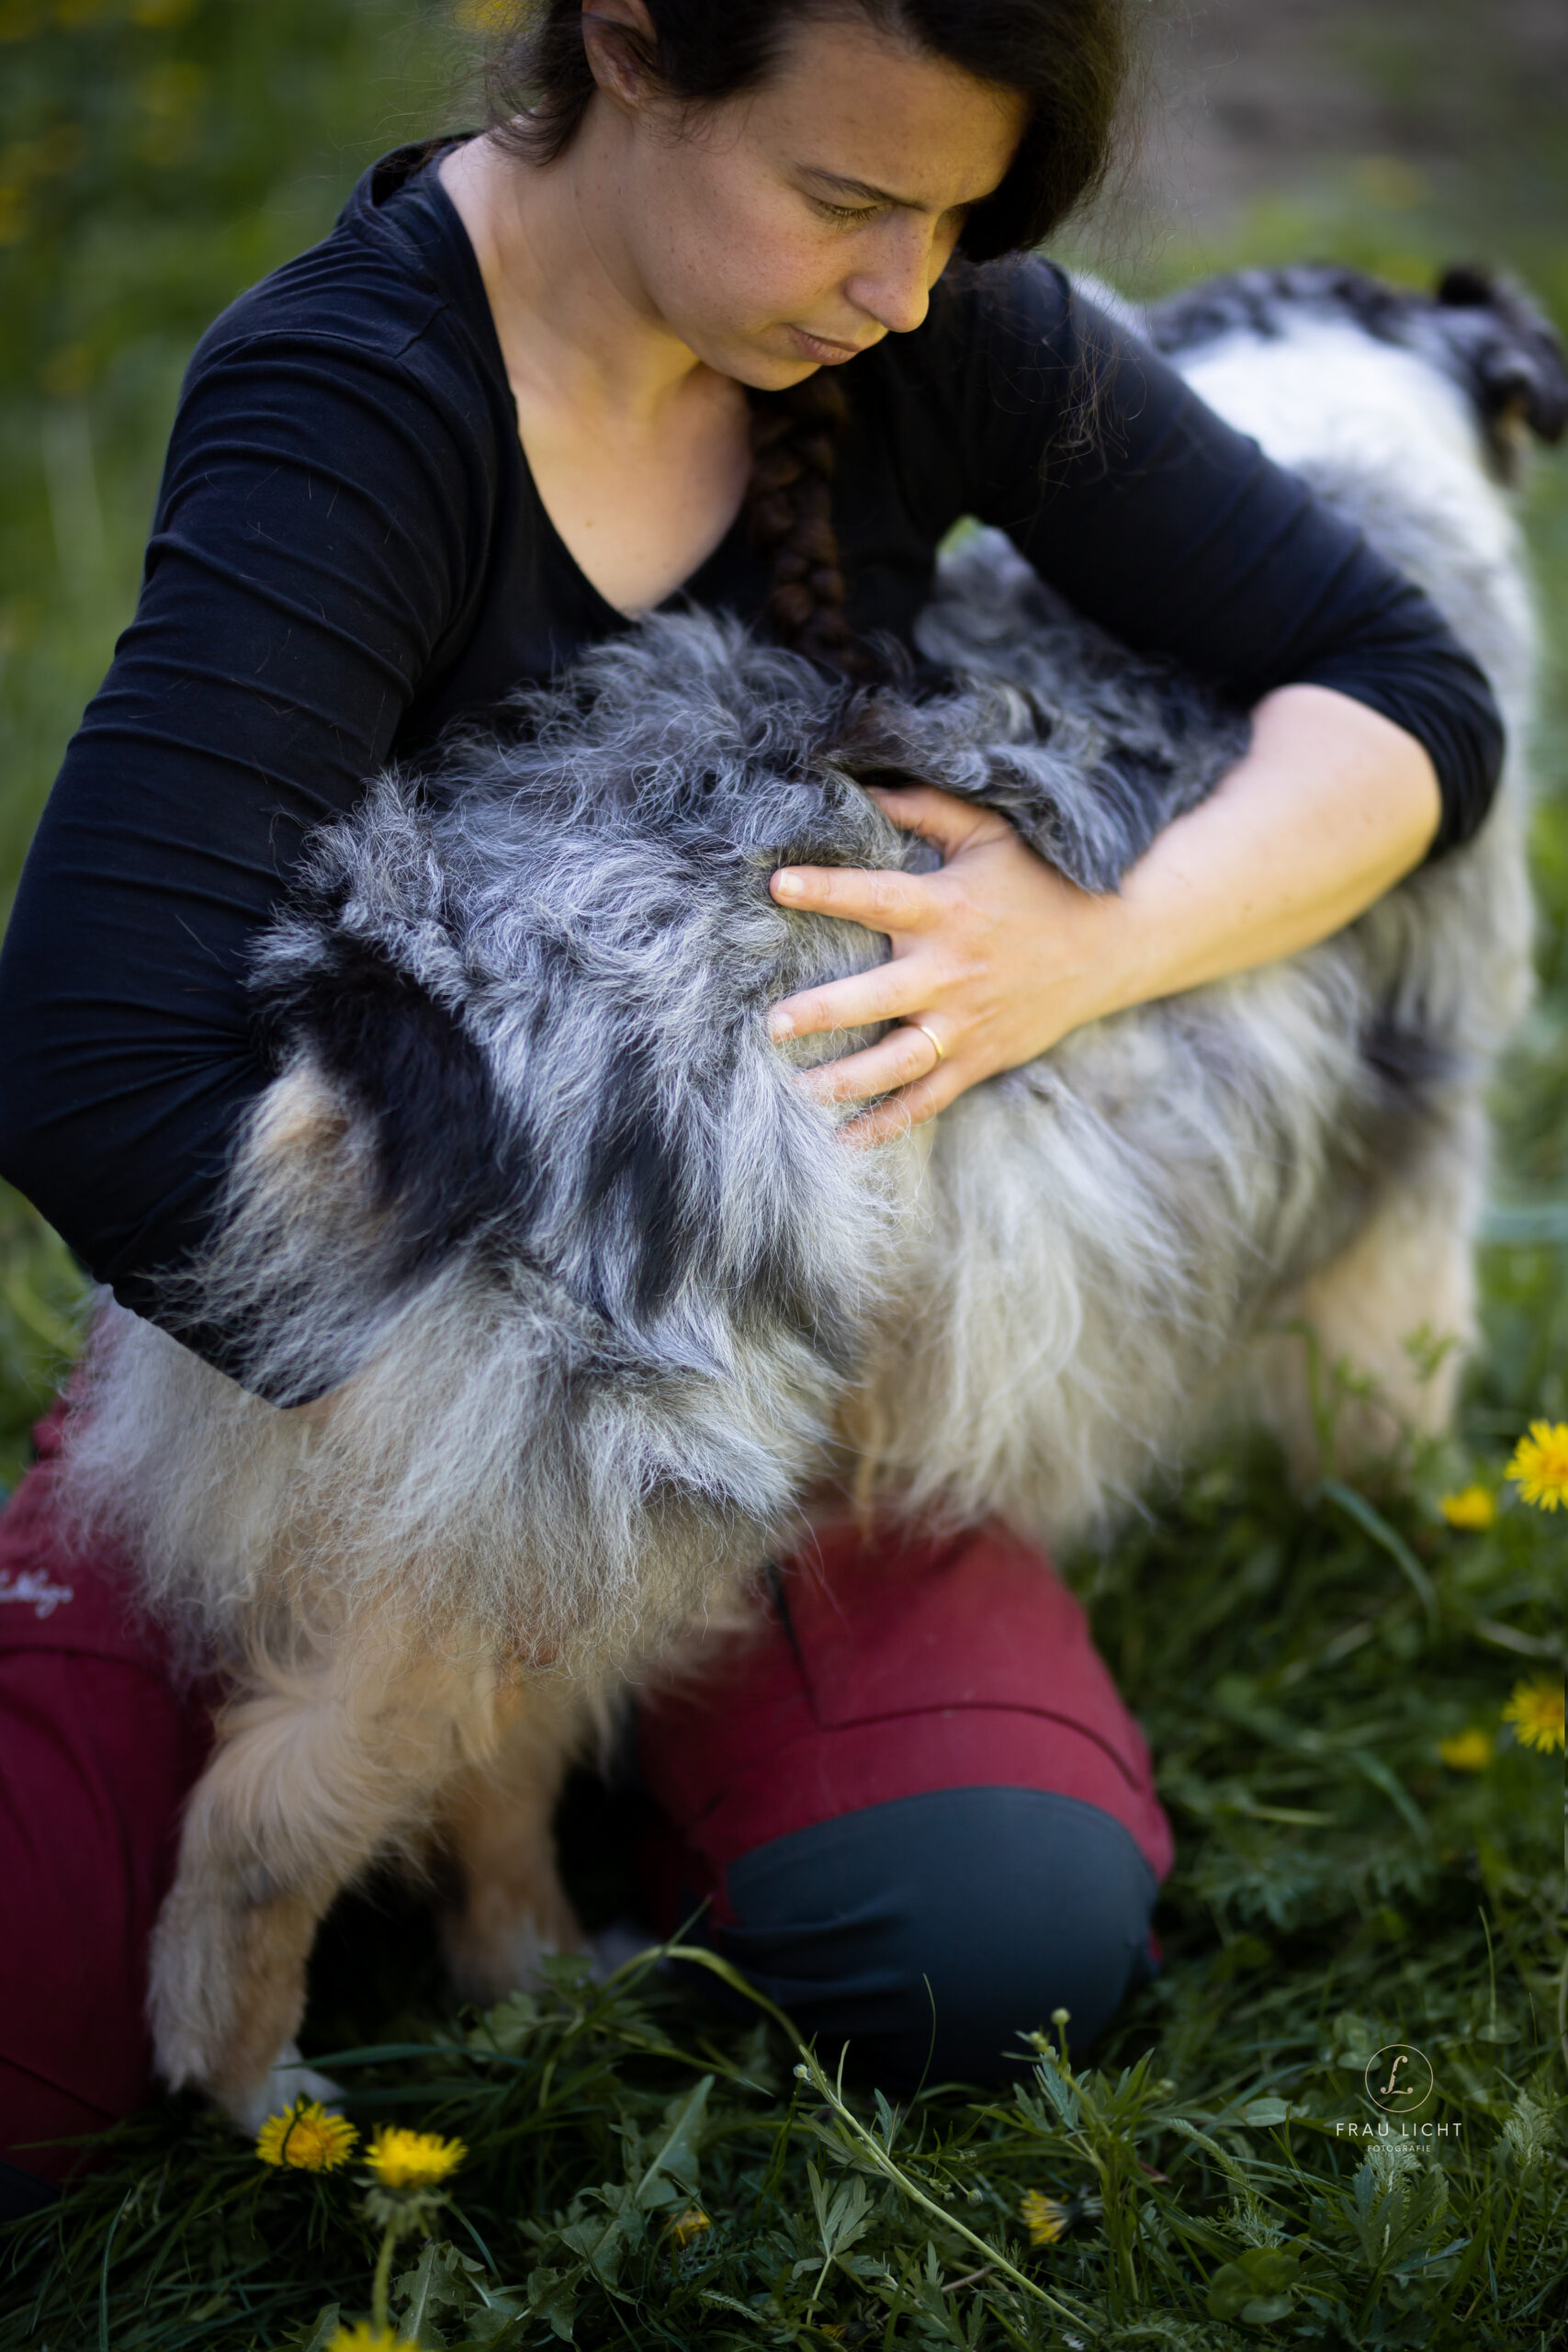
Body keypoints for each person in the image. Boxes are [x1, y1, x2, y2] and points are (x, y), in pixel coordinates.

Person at [0, 0, 1503, 2211]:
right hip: (361, 1312)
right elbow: (95, 1062)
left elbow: (1403, 700)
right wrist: (530, 1450)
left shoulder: (931, 321)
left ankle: (561, 1759)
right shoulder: (357, 405)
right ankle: (477, 1731)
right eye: (845, 197)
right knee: (27, 2020)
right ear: (628, 44)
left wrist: (1097, 939)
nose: (905, 281)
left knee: (990, 1936)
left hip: (798, 1330)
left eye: (959, 216)